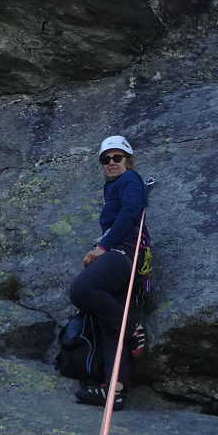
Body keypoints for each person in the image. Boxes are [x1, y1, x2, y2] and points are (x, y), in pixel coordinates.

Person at [69, 135, 150, 410]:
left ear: (128, 160)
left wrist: (102, 247)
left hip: (127, 251)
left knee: (81, 289)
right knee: (108, 323)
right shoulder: (113, 186)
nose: (111, 163)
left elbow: (130, 212)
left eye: (117, 158)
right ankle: (114, 389)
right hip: (122, 253)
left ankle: (133, 328)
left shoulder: (131, 180)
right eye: (106, 160)